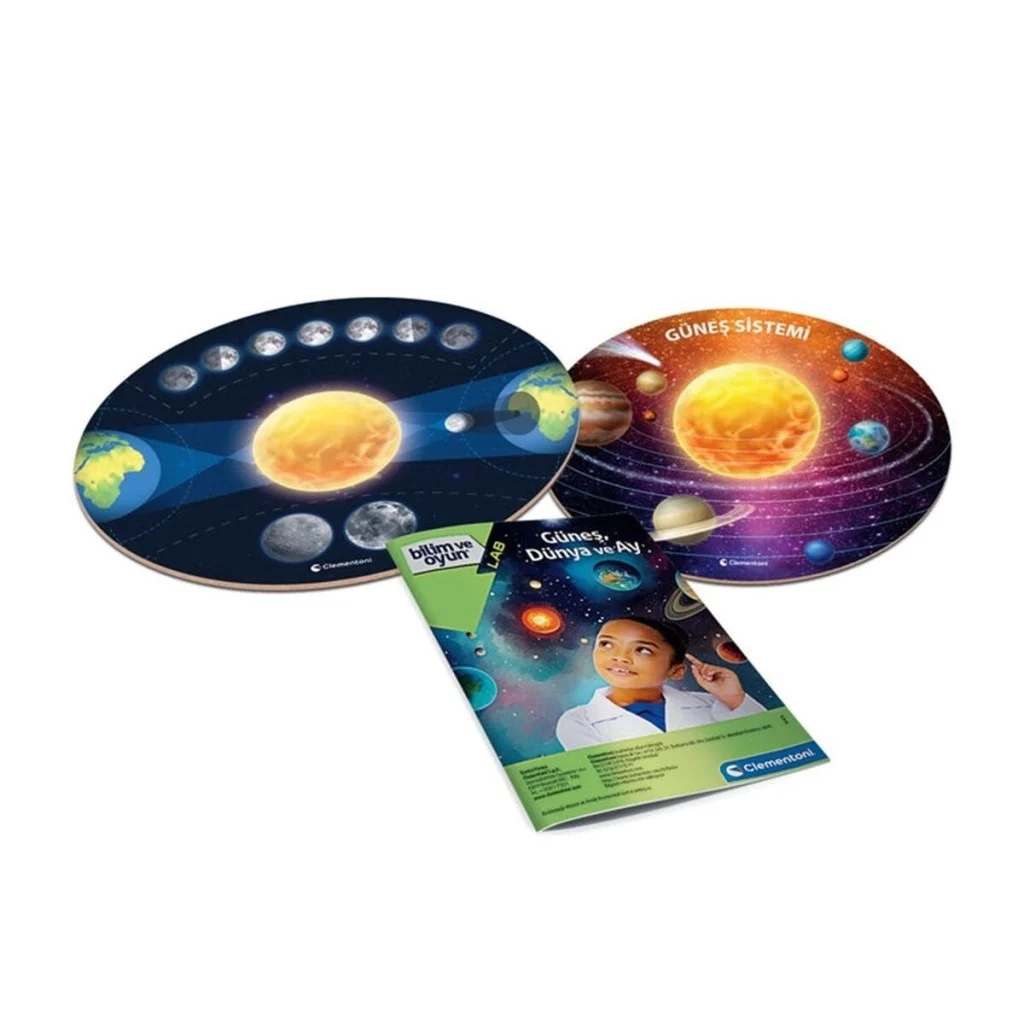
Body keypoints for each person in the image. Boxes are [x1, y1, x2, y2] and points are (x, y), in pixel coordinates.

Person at [555, 615, 764, 751]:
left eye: (643, 650)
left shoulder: (711, 703)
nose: (620, 657)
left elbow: (764, 743)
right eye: (606, 644)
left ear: (676, 671)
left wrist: (734, 698)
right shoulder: (577, 721)